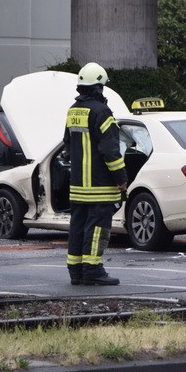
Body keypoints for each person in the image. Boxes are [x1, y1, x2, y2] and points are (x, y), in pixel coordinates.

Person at [64, 62, 128, 286]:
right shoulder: (102, 112)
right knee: (97, 228)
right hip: (100, 186)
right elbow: (111, 151)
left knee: (78, 227)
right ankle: (92, 269)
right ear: (99, 87)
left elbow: (66, 144)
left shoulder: (73, 111)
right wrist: (121, 179)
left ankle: (76, 271)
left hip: (78, 186)